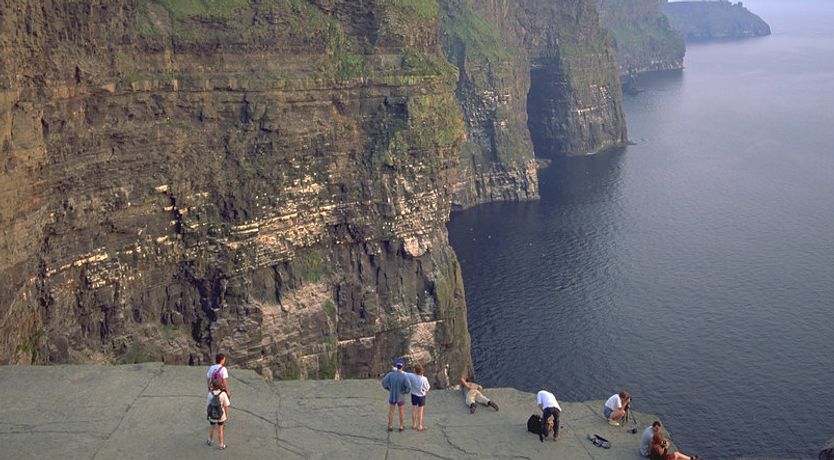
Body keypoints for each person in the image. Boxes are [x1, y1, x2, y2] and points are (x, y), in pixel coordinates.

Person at [381, 358, 412, 432]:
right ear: (402, 366)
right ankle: (401, 426)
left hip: (392, 395)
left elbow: (383, 382)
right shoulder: (404, 376)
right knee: (401, 411)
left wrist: (388, 388)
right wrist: (405, 391)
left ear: (396, 366)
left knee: (391, 411)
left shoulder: (391, 374)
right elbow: (409, 387)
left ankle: (390, 426)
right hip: (400, 396)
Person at [206, 380, 231, 450]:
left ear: (213, 386)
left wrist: (208, 414)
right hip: (221, 415)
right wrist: (226, 415)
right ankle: (221, 444)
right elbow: (226, 405)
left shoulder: (210, 394)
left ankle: (210, 440)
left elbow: (208, 405)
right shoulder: (223, 394)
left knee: (212, 427)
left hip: (212, 414)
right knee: (220, 429)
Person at [407, 364, 431, 431]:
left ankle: (414, 424)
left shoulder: (412, 376)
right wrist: (424, 390)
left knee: (414, 409)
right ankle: (420, 425)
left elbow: (405, 373)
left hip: (414, 394)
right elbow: (428, 388)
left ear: (415, 370)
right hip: (421, 396)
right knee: (420, 411)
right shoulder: (424, 379)